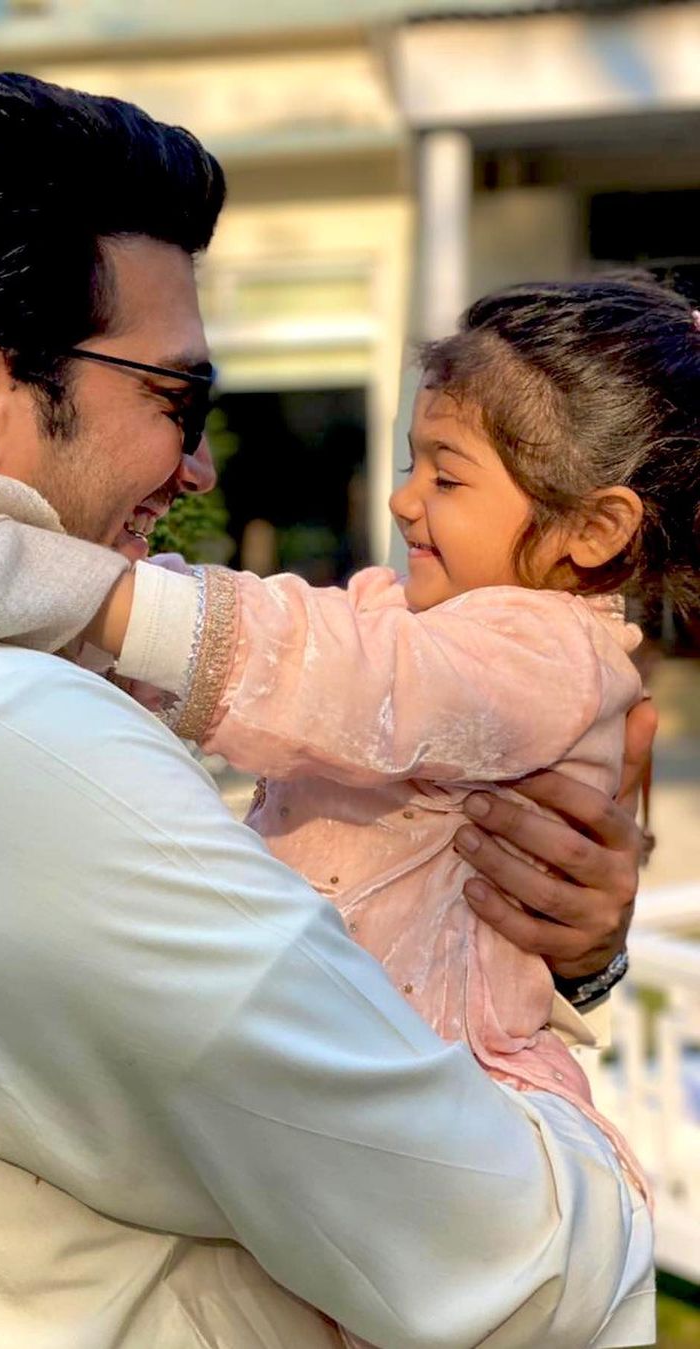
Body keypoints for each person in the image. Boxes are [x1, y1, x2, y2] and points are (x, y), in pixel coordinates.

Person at [0, 75, 655, 1349]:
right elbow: (520, 1273)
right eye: (178, 401)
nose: (200, 465)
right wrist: (578, 1126)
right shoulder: (14, 750)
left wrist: (545, 937)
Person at [88, 277, 700, 1291]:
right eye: (415, 461)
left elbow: (352, 679)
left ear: (592, 532)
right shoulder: (428, 621)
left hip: (441, 1089)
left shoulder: (546, 654)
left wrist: (109, 604)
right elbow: (323, 658)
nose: (403, 497)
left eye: (447, 478)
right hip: (359, 1081)